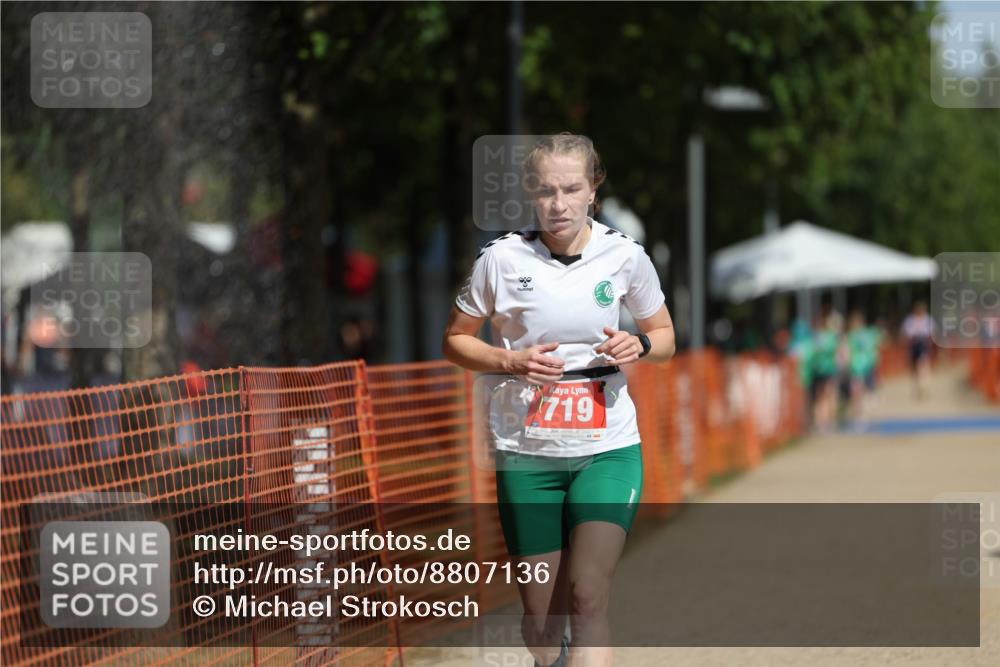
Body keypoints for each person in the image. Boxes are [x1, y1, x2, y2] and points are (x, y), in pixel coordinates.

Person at [442, 133, 675, 667]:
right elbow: (455, 340)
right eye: (546, 190)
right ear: (530, 191)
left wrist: (638, 343)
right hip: (528, 454)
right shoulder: (500, 259)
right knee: (543, 627)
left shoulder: (625, 257)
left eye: (571, 189)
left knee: (587, 595)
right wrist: (511, 361)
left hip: (608, 449)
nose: (558, 203)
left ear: (594, 190)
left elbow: (664, 336)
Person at [901, 301, 934, 399]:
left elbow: (931, 335)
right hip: (914, 345)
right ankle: (918, 387)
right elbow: (906, 335)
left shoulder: (928, 320)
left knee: (923, 366)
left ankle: (924, 387)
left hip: (923, 344)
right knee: (915, 369)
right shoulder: (910, 320)